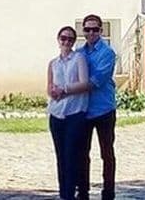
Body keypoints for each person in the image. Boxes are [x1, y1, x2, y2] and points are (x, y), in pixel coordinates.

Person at [77, 13, 117, 200]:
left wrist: (69, 89)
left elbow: (97, 80)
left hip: (104, 109)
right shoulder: (79, 53)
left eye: (95, 29)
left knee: (106, 153)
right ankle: (82, 191)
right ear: (83, 31)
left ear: (101, 31)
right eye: (87, 29)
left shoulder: (107, 53)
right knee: (82, 153)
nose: (91, 32)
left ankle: (108, 192)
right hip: (84, 110)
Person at [48, 26, 90, 200]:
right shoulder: (53, 63)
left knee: (72, 154)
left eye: (70, 39)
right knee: (61, 156)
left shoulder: (78, 58)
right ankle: (64, 193)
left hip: (75, 113)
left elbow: (85, 83)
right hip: (57, 114)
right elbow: (49, 87)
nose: (66, 42)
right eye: (63, 38)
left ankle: (73, 193)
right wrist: (54, 92)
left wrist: (65, 90)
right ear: (58, 40)